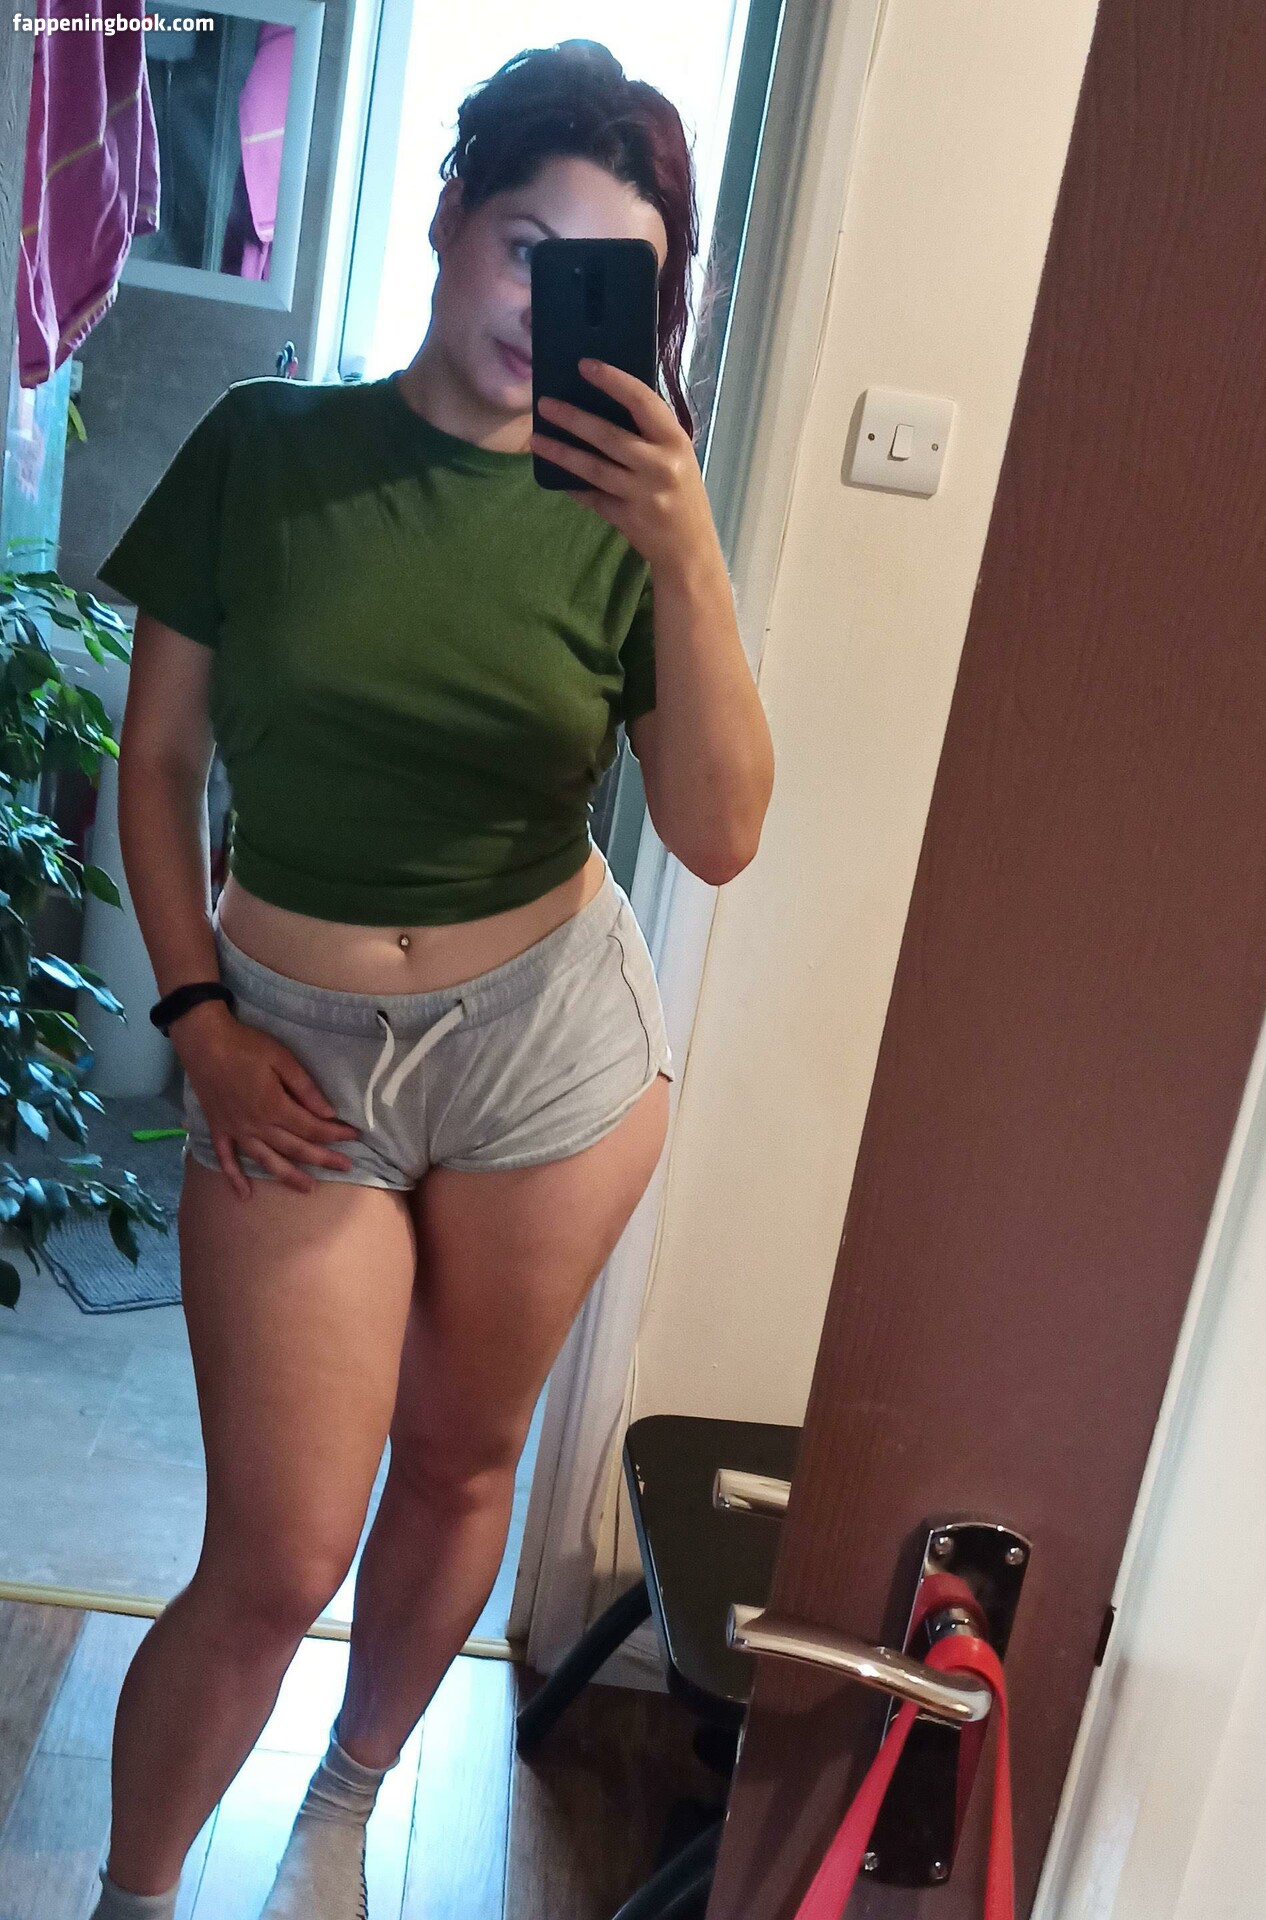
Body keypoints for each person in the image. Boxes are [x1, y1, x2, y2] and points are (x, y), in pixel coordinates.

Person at [88, 38, 774, 1920]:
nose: (538, 302)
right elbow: (158, 765)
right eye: (524, 245)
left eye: (599, 274)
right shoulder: (266, 450)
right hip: (287, 1050)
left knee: (464, 1462)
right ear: (450, 221)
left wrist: (687, 547)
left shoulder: (633, 520)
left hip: (546, 1052)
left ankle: (342, 1808)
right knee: (274, 1557)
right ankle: (130, 1894)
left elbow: (719, 834)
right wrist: (196, 1016)